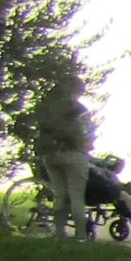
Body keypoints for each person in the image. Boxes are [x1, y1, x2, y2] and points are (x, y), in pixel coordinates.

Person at [30, 67, 95, 238]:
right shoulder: (79, 109)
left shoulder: (48, 108)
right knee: (76, 196)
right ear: (78, 90)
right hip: (74, 153)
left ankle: (59, 233)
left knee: (59, 195)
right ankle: (81, 235)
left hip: (50, 155)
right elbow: (87, 134)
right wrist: (88, 146)